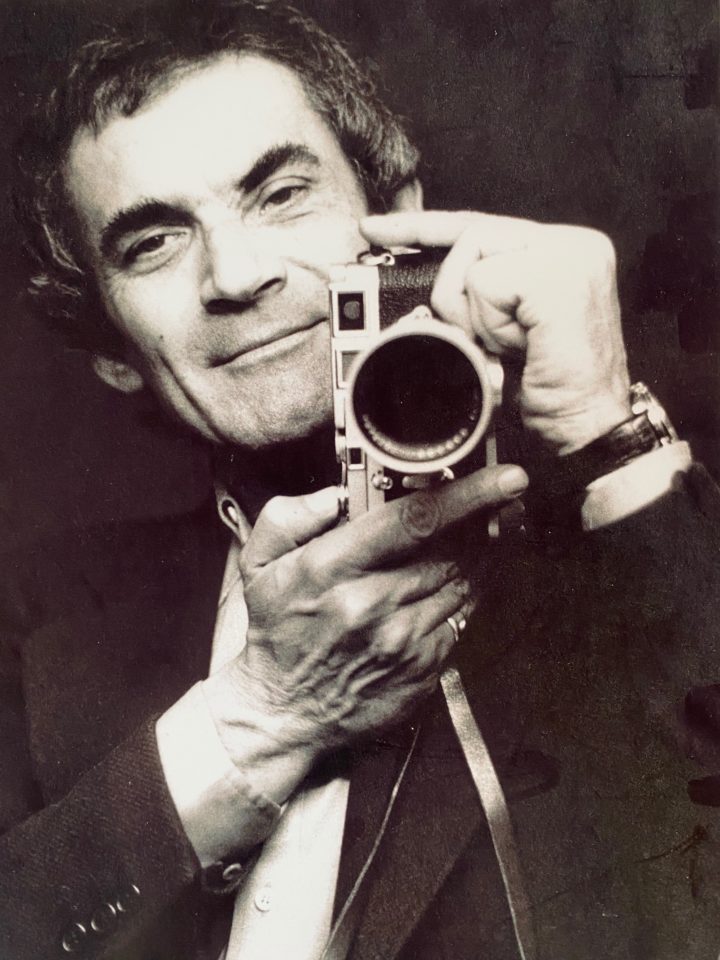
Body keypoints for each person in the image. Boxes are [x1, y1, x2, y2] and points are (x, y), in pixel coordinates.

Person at [3, 2, 720, 958]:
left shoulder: (633, 559)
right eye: (152, 244)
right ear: (108, 347)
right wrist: (261, 718)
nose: (236, 274)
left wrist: (606, 433)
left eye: (281, 194)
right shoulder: (36, 613)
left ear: (401, 215)